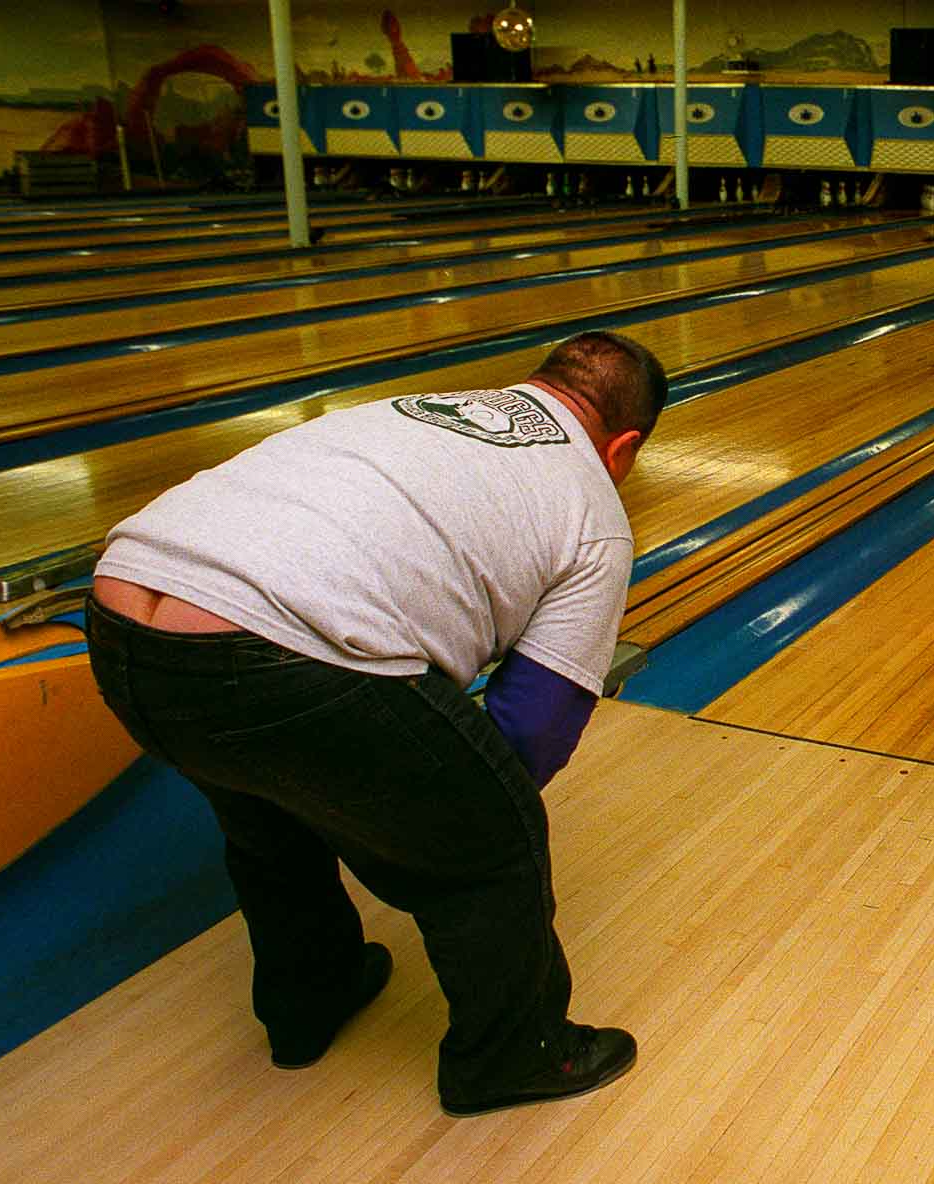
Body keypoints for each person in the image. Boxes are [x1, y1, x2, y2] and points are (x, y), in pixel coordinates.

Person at [84, 330, 665, 1117]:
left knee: (266, 808)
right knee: (499, 835)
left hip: (120, 615)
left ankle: (309, 999)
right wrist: (427, 823)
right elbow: (529, 731)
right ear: (623, 446)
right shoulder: (593, 508)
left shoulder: (413, 406)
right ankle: (511, 1054)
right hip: (278, 651)